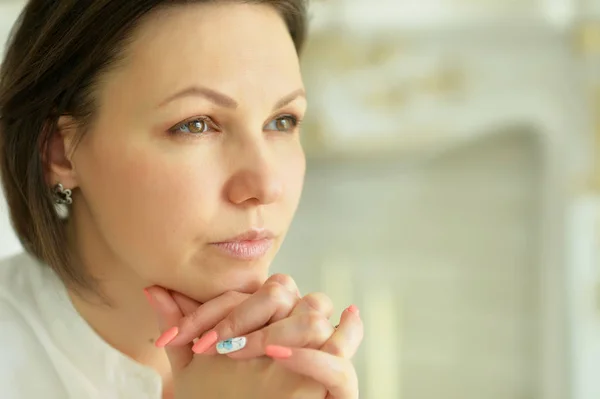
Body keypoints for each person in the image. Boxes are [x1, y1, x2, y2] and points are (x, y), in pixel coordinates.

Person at [0, 0, 364, 398]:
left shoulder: (306, 364)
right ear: (59, 150)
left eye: (282, 121)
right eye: (196, 125)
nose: (266, 185)